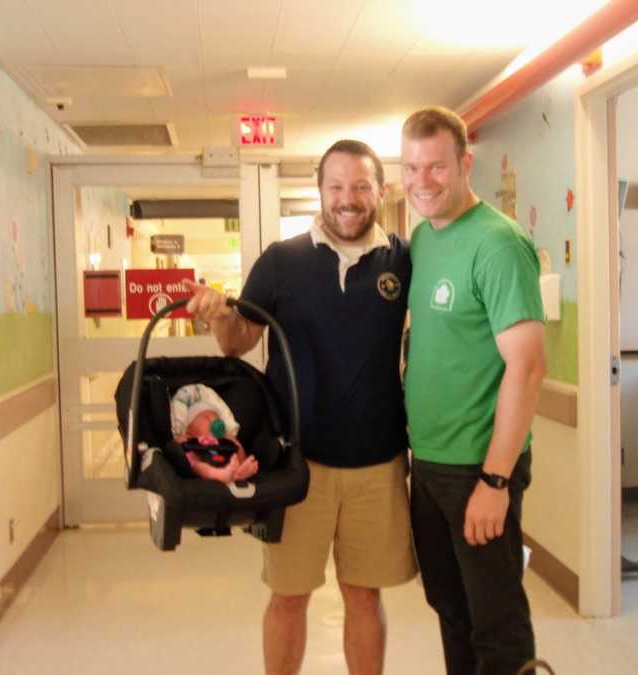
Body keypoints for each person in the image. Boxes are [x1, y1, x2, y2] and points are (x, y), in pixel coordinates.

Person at [184, 139, 416, 675]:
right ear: (320, 191)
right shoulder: (281, 261)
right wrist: (219, 314)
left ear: (380, 191)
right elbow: (237, 342)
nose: (348, 199)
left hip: (378, 463)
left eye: (360, 186)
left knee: (364, 596)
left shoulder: (403, 260)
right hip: (296, 465)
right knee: (288, 597)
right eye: (336, 186)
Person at [401, 107, 547, 675]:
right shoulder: (423, 239)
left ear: (465, 163)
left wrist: (495, 479)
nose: (422, 182)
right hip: (430, 463)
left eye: (436, 167)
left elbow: (528, 367)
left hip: (477, 469)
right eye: (412, 168)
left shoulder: (499, 244)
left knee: (496, 623)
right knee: (450, 609)